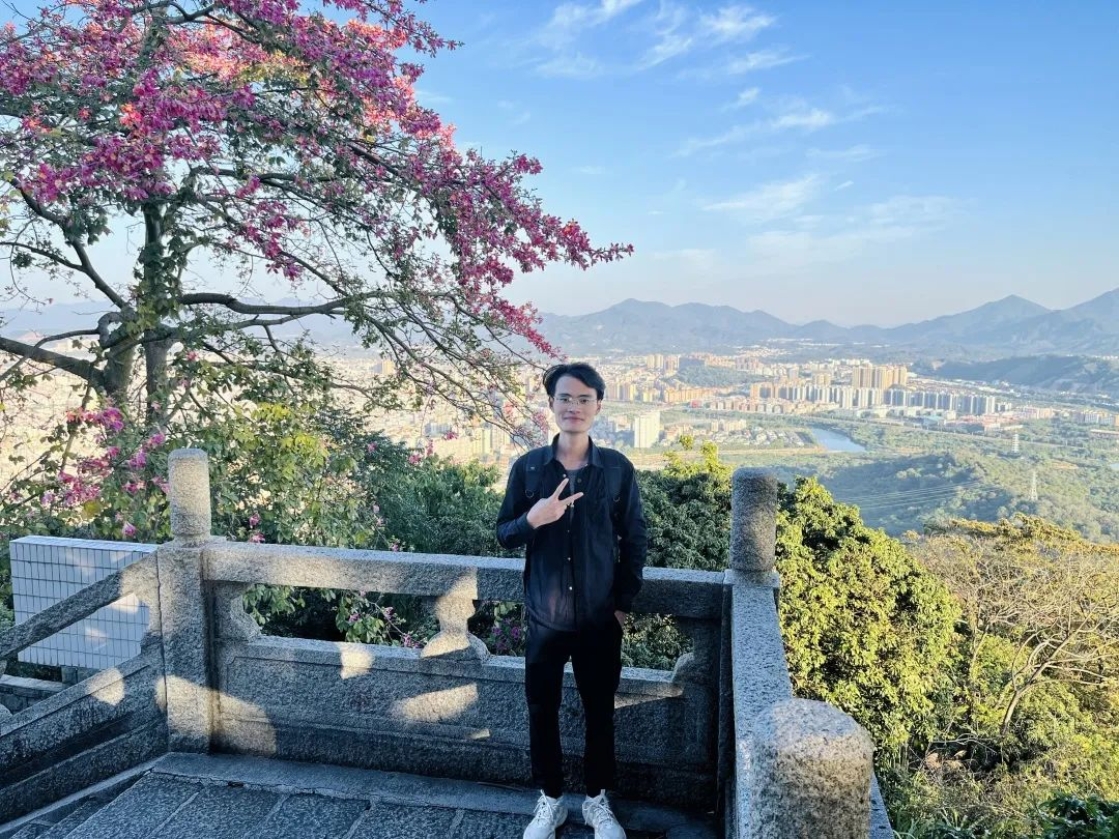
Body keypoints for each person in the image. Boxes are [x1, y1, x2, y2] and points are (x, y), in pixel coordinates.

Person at [496, 362, 647, 839]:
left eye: (584, 399)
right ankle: (551, 800)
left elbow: (635, 540)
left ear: (598, 406)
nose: (574, 407)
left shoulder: (617, 470)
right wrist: (534, 518)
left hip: (600, 619)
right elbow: (504, 533)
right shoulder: (529, 469)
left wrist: (621, 604)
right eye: (565, 398)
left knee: (600, 712)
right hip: (545, 618)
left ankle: (597, 801)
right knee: (542, 711)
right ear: (551, 405)